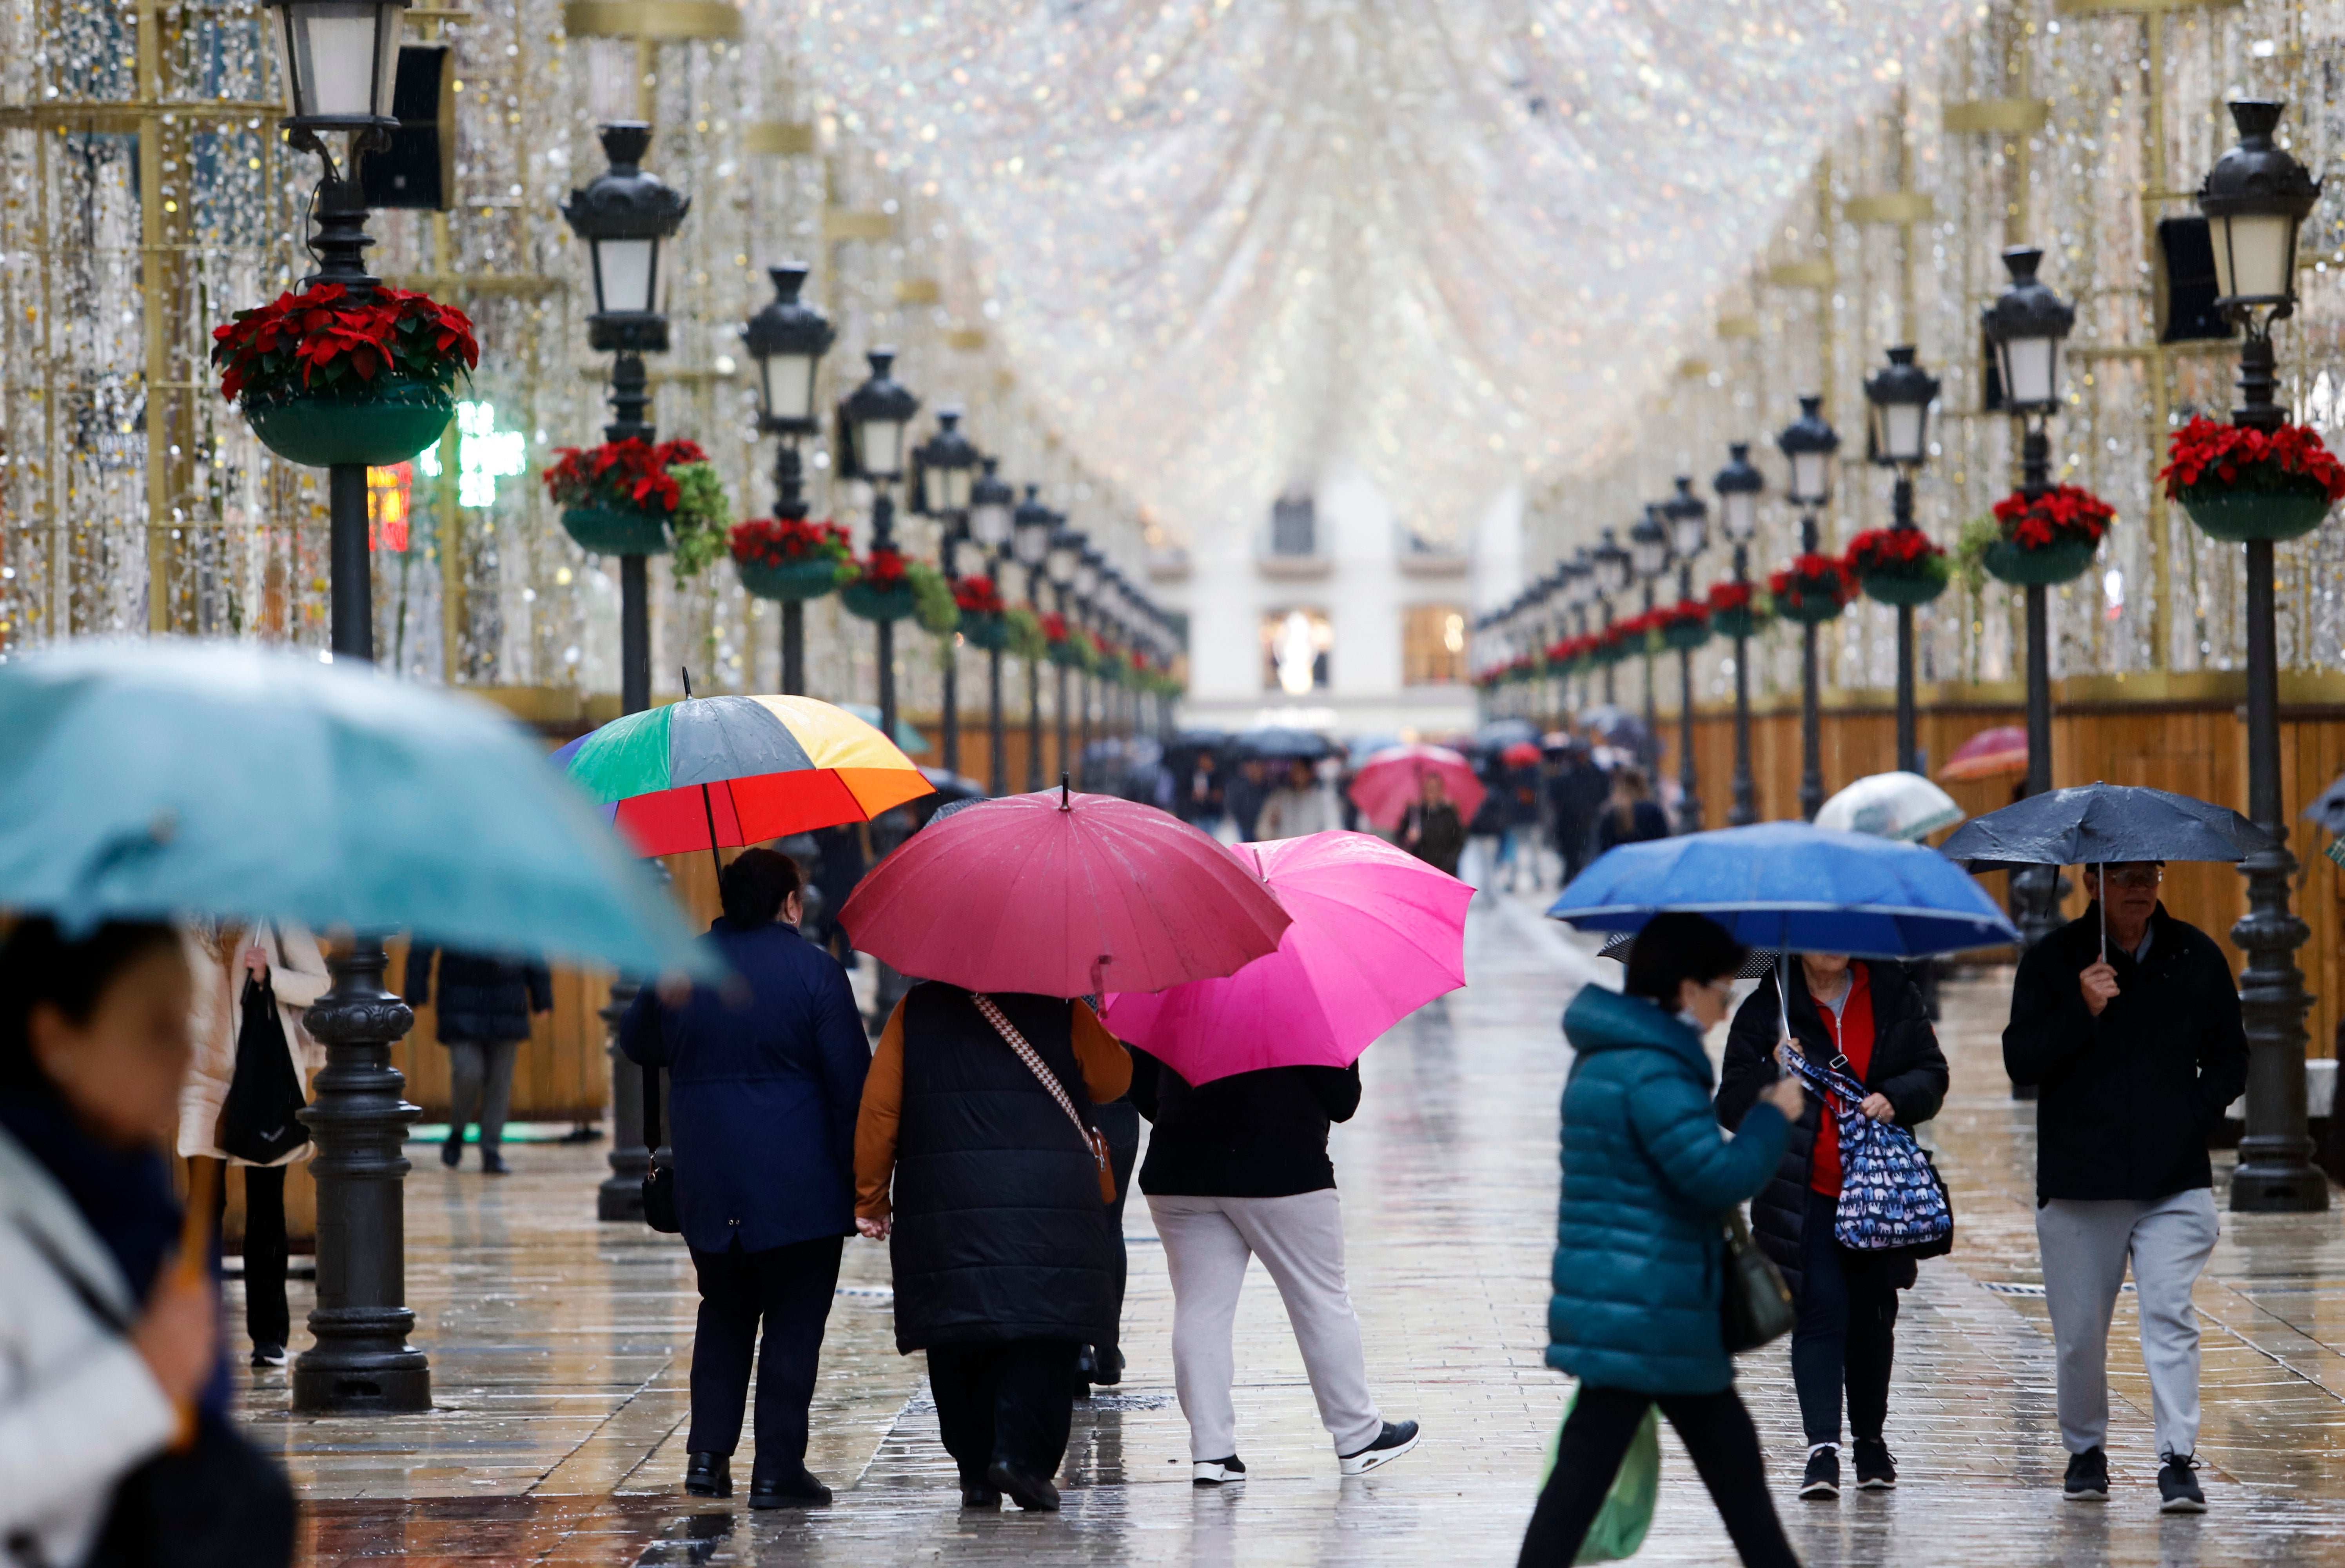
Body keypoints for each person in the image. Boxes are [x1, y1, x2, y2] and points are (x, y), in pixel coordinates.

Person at [1522, 912, 1804, 1568]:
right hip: (1654, 1312)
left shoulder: (1613, 1057)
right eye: (1720, 987)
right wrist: (1770, 1118)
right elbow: (1714, 1177)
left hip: (1632, 1309)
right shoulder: (1653, 1071)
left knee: (1582, 1490)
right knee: (1732, 1485)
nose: (1726, 1000)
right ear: (1685, 990)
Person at [621, 849, 870, 1509]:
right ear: (791, 902)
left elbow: (639, 1045)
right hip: (803, 1190)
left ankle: (707, 1459)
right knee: (793, 1322)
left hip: (708, 1180)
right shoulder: (817, 972)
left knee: (724, 1312)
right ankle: (776, 1470)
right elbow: (853, 1088)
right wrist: (866, 1182)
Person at [2004, 860, 2245, 1514]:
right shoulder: (2052, 960)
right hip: (2080, 1183)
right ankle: (2085, 1451)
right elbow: (2019, 1061)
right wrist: (2079, 1009)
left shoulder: (2194, 955)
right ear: (2090, 883)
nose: (2140, 887)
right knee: (2079, 1334)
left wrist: (2191, 1114)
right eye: (2124, 876)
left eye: (2150, 874)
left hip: (2174, 1181)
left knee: (2169, 1314)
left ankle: (2176, 1460)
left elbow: (2231, 1057)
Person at [0, 920, 233, 1568]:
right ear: (55, 1038)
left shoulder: (138, 1207)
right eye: (156, 1028)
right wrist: (143, 1379)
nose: (186, 1056)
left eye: (186, 1024)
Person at [855, 981, 1130, 1512]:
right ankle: (1021, 1458)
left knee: (958, 1326)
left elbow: (880, 1109)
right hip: (1048, 1200)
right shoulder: (1062, 1004)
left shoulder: (917, 1010)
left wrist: (870, 1196)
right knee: (1045, 1324)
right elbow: (1113, 1081)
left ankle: (975, 1469)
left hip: (944, 1197)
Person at [1128, 1048, 1419, 1487]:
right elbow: (1343, 1101)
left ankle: (1212, 1452)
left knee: (1200, 1308)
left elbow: (1141, 1087)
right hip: (1283, 1166)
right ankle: (1358, 1436)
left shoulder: (1175, 987)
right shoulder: (1306, 993)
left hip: (1180, 1164)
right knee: (1320, 1300)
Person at [1717, 952, 1948, 1499]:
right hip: (1803, 1191)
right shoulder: (1768, 1007)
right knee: (1820, 1307)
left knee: (1872, 1314)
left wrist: (1895, 1098)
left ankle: (1869, 1440)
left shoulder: (1893, 992)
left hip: (1877, 1192)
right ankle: (1822, 1450)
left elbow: (1931, 1075)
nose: (1831, 943)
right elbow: (1728, 1106)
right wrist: (1768, 1073)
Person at [177, 918, 329, 1368]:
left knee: (266, 1209)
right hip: (201, 1079)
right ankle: (200, 1333)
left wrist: (272, 977)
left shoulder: (275, 915)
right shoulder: (183, 917)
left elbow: (322, 986)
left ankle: (269, 1336)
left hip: (263, 1072)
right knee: (204, 1208)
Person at [404, 943, 552, 1174]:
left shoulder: (516, 906)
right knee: (468, 1072)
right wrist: (416, 986)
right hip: (460, 996)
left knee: (500, 1081)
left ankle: (491, 1149)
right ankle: (458, 1130)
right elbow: (425, 939)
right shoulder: (450, 906)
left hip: (507, 997)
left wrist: (542, 995)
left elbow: (530, 942)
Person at [1547, 741, 1611, 886]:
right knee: (1571, 853)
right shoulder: (1566, 774)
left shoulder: (1597, 774)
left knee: (1588, 852)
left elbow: (1604, 794)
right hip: (1569, 821)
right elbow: (1556, 797)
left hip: (1591, 820)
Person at [1399, 771, 1467, 877]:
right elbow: (1401, 838)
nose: (1432, 792)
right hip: (1421, 869)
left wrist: (1448, 862)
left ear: (1441, 790)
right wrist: (1409, 839)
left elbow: (1459, 840)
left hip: (1446, 871)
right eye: (1429, 788)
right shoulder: (1414, 813)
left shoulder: (1449, 813)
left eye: (1435, 788)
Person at [1593, 764, 1671, 855]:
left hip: (1621, 864)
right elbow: (1663, 842)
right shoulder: (1652, 810)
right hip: (1649, 861)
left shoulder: (1611, 812)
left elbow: (1604, 847)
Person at [1256, 758, 1339, 841]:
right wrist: (1272, 823)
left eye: (1300, 770)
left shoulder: (1323, 799)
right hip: (1285, 849)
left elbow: (1332, 829)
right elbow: (1262, 832)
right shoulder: (1279, 797)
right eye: (1294, 770)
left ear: (1310, 773)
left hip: (1313, 849)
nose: (1296, 774)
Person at [1227, 758, 1269, 843]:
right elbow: (1234, 806)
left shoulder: (1266, 787)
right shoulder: (1241, 786)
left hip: (1260, 827)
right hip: (1244, 827)